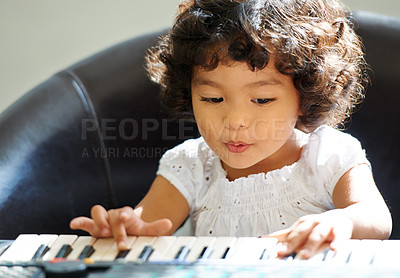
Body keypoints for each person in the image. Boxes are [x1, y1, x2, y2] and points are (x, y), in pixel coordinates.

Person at [70, 0, 392, 259]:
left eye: (262, 99)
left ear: (304, 97)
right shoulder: (191, 166)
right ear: (189, 91)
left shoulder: (329, 156)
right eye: (212, 98)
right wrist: (126, 227)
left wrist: (342, 221)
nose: (234, 121)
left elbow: (377, 219)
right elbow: (146, 223)